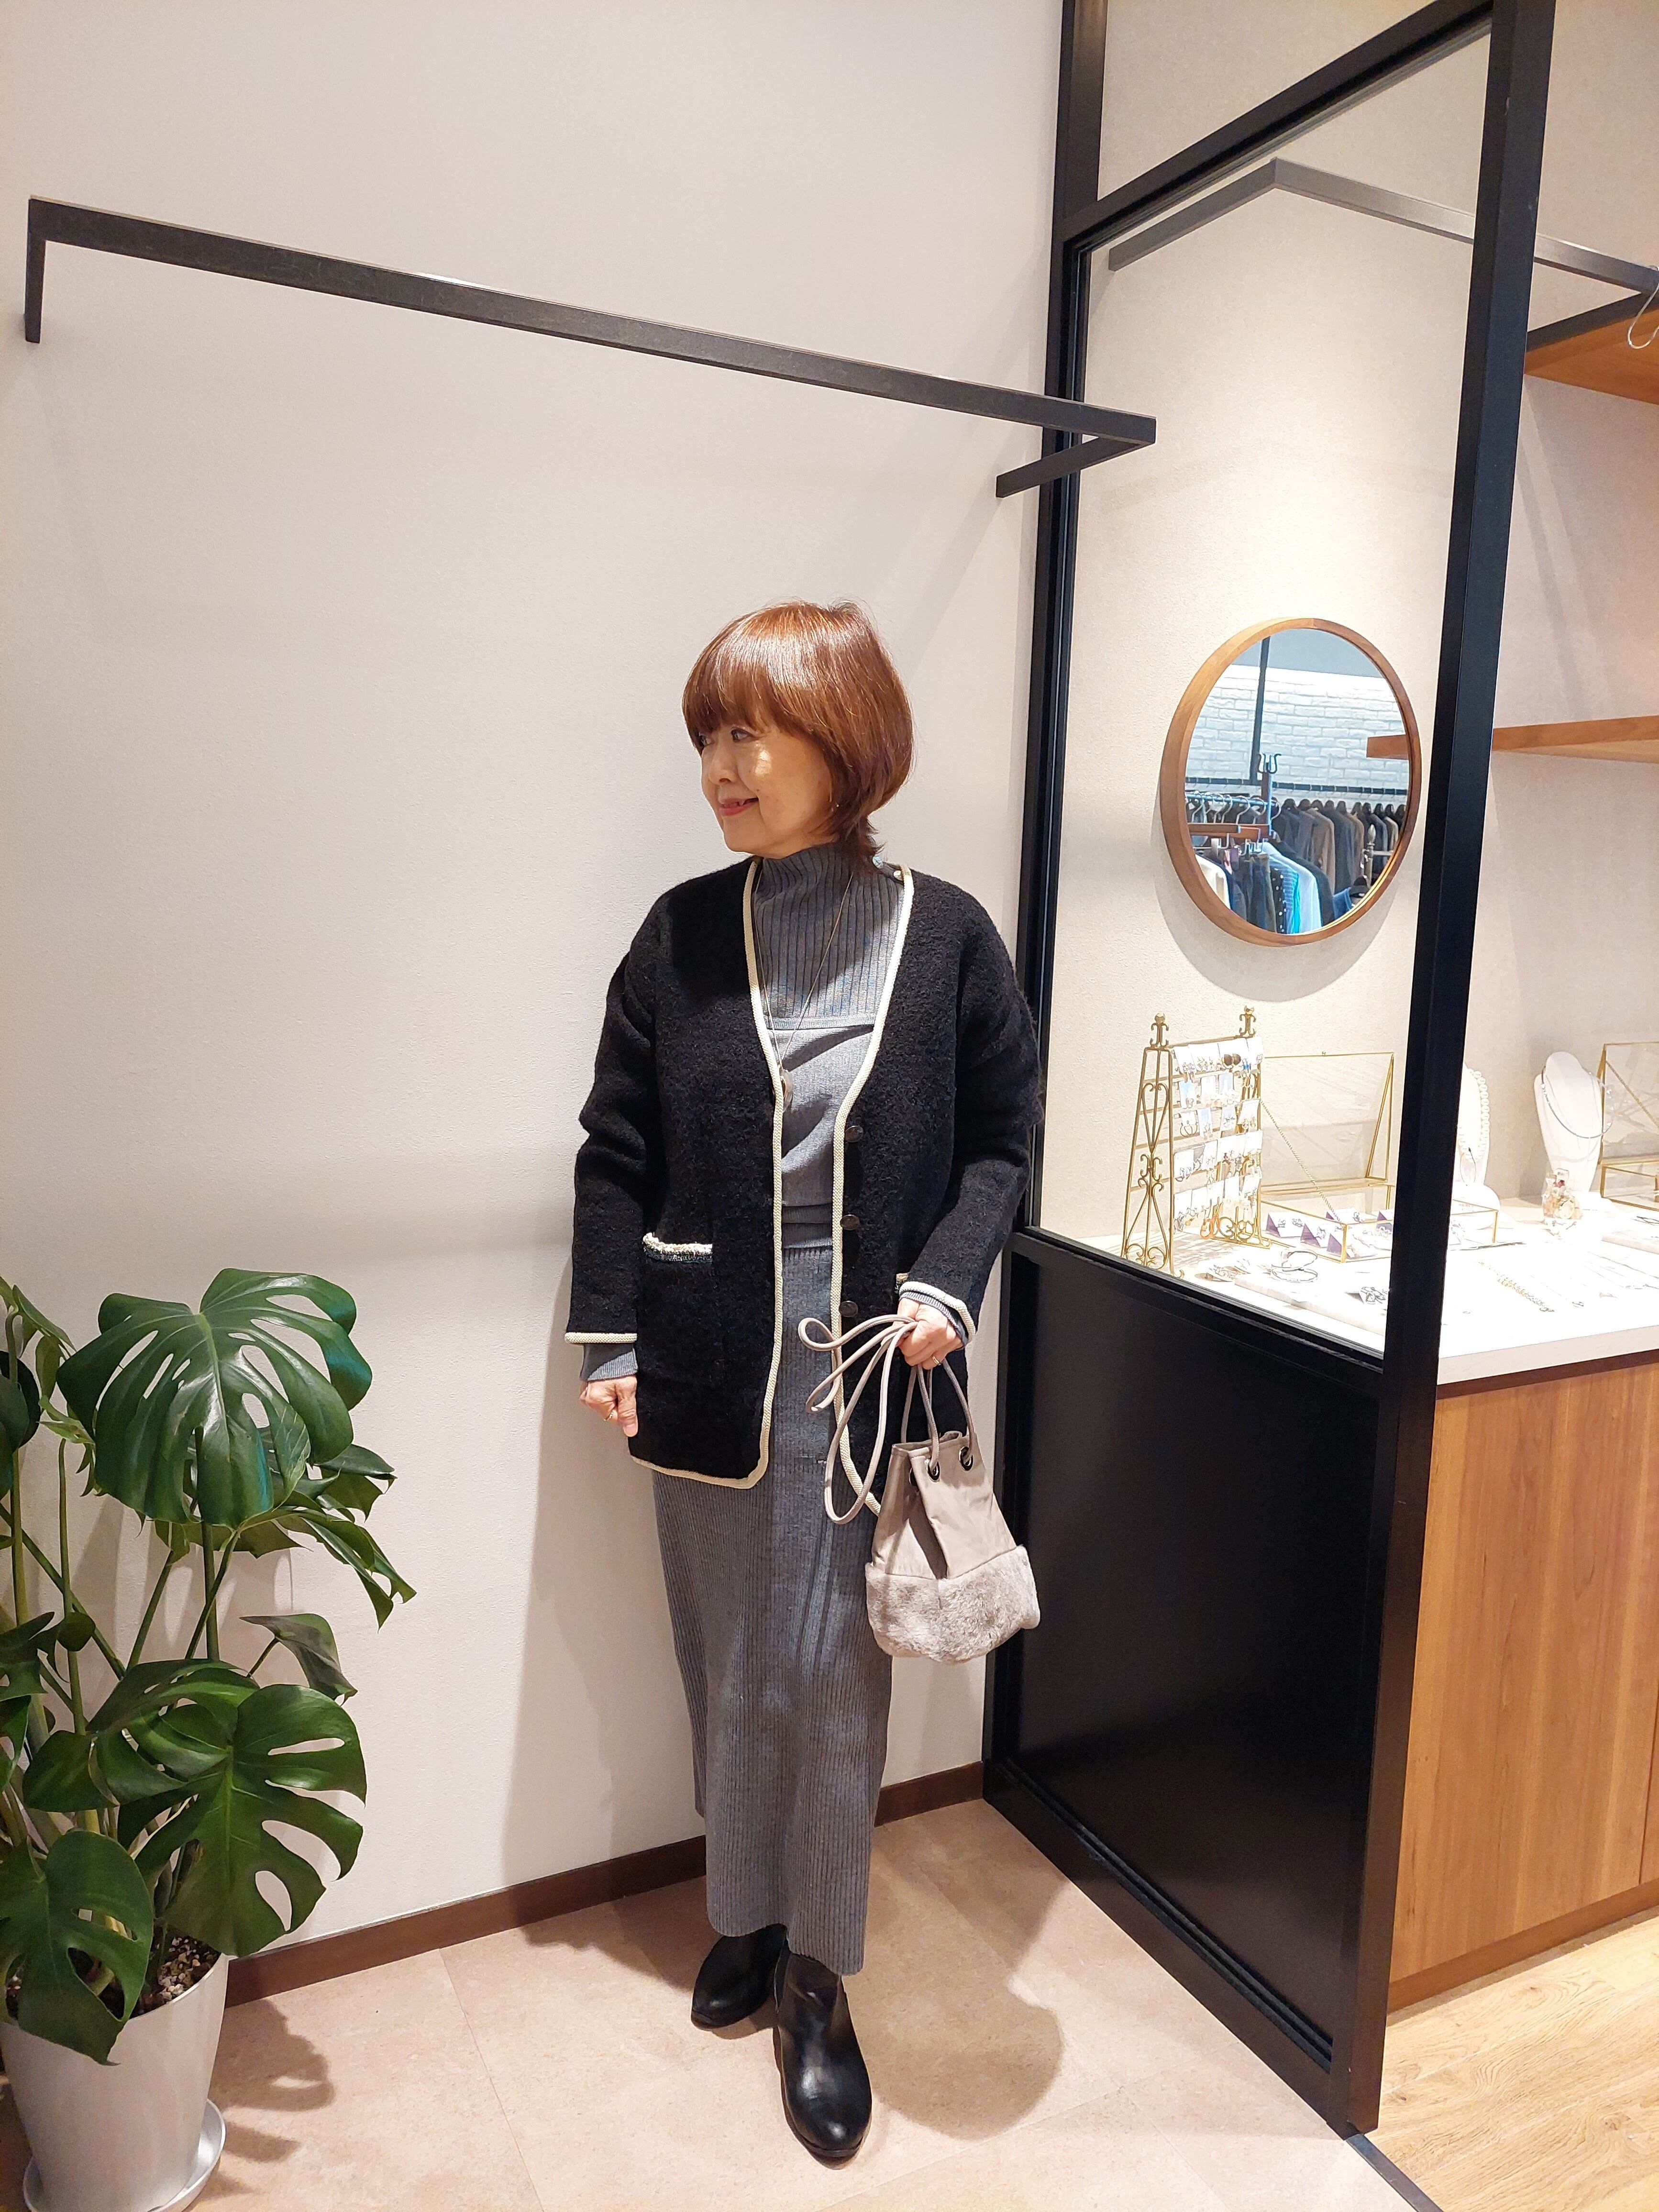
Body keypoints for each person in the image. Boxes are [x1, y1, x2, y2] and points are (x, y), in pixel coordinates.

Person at [568, 600, 1039, 2163]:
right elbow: (615, 1151)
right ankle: (748, 1915)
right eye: (708, 734)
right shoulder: (679, 934)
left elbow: (1000, 1143)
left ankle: (820, 1978)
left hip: (867, 1371)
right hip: (710, 1358)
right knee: (727, 1663)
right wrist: (613, 1337)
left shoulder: (947, 935)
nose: (722, 763)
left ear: (846, 744)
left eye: (751, 731)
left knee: (830, 1683)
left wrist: (944, 1282)